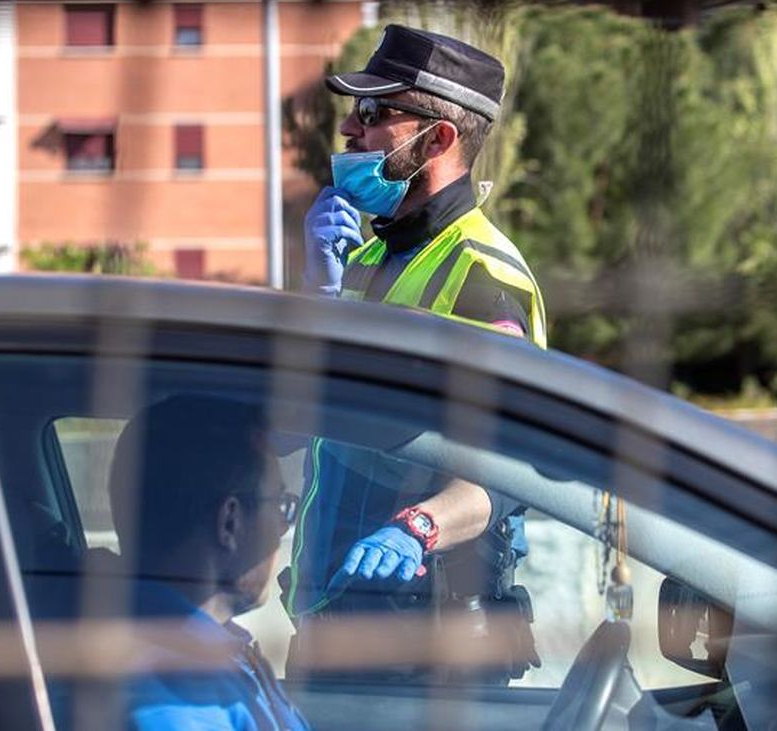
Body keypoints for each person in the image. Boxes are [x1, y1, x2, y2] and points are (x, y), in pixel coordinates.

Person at [283, 25, 546, 683]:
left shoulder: (487, 278)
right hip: (334, 625)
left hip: (431, 657)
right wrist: (316, 294)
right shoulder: (365, 260)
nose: (349, 127)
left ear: (439, 139)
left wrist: (419, 527)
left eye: (374, 112)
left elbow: (512, 473)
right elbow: (294, 423)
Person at [104, 395, 310, 731]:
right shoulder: (178, 700)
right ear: (230, 522)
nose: (283, 527)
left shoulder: (200, 651)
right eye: (280, 506)